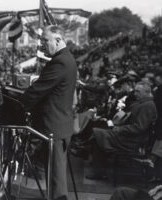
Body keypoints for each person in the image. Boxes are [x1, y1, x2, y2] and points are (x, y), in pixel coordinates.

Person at [20, 25, 77, 200]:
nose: (42, 45)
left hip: (54, 128)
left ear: (58, 40)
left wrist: (17, 104)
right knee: (55, 178)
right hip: (58, 126)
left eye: (45, 40)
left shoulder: (60, 62)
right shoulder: (66, 58)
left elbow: (37, 91)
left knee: (56, 181)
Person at [86, 81, 158, 179]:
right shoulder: (143, 102)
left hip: (131, 141)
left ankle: (99, 171)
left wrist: (119, 129)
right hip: (128, 136)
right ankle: (97, 166)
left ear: (146, 92)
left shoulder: (148, 105)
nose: (135, 94)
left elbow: (139, 128)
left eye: (138, 92)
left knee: (98, 133)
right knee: (98, 132)